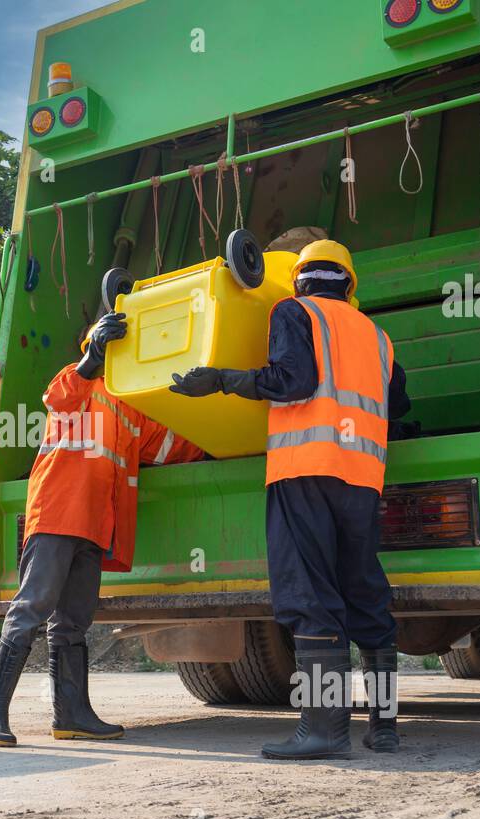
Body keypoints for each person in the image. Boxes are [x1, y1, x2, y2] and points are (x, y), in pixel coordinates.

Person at [170, 239, 414, 758]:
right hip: (362, 476)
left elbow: (293, 381)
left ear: (299, 279)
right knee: (365, 590)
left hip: (304, 470)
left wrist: (220, 380)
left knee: (310, 597)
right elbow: (399, 402)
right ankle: (385, 725)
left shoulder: (293, 311)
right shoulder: (377, 335)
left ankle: (324, 730)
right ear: (349, 284)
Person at [0, 312, 204, 747]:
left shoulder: (133, 409)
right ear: (94, 347)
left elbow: (177, 446)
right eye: (105, 346)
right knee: (32, 608)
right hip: (59, 515)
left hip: (96, 527)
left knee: (74, 622)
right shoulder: (75, 383)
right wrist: (89, 359)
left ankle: (72, 715)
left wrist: (207, 406)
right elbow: (57, 397)